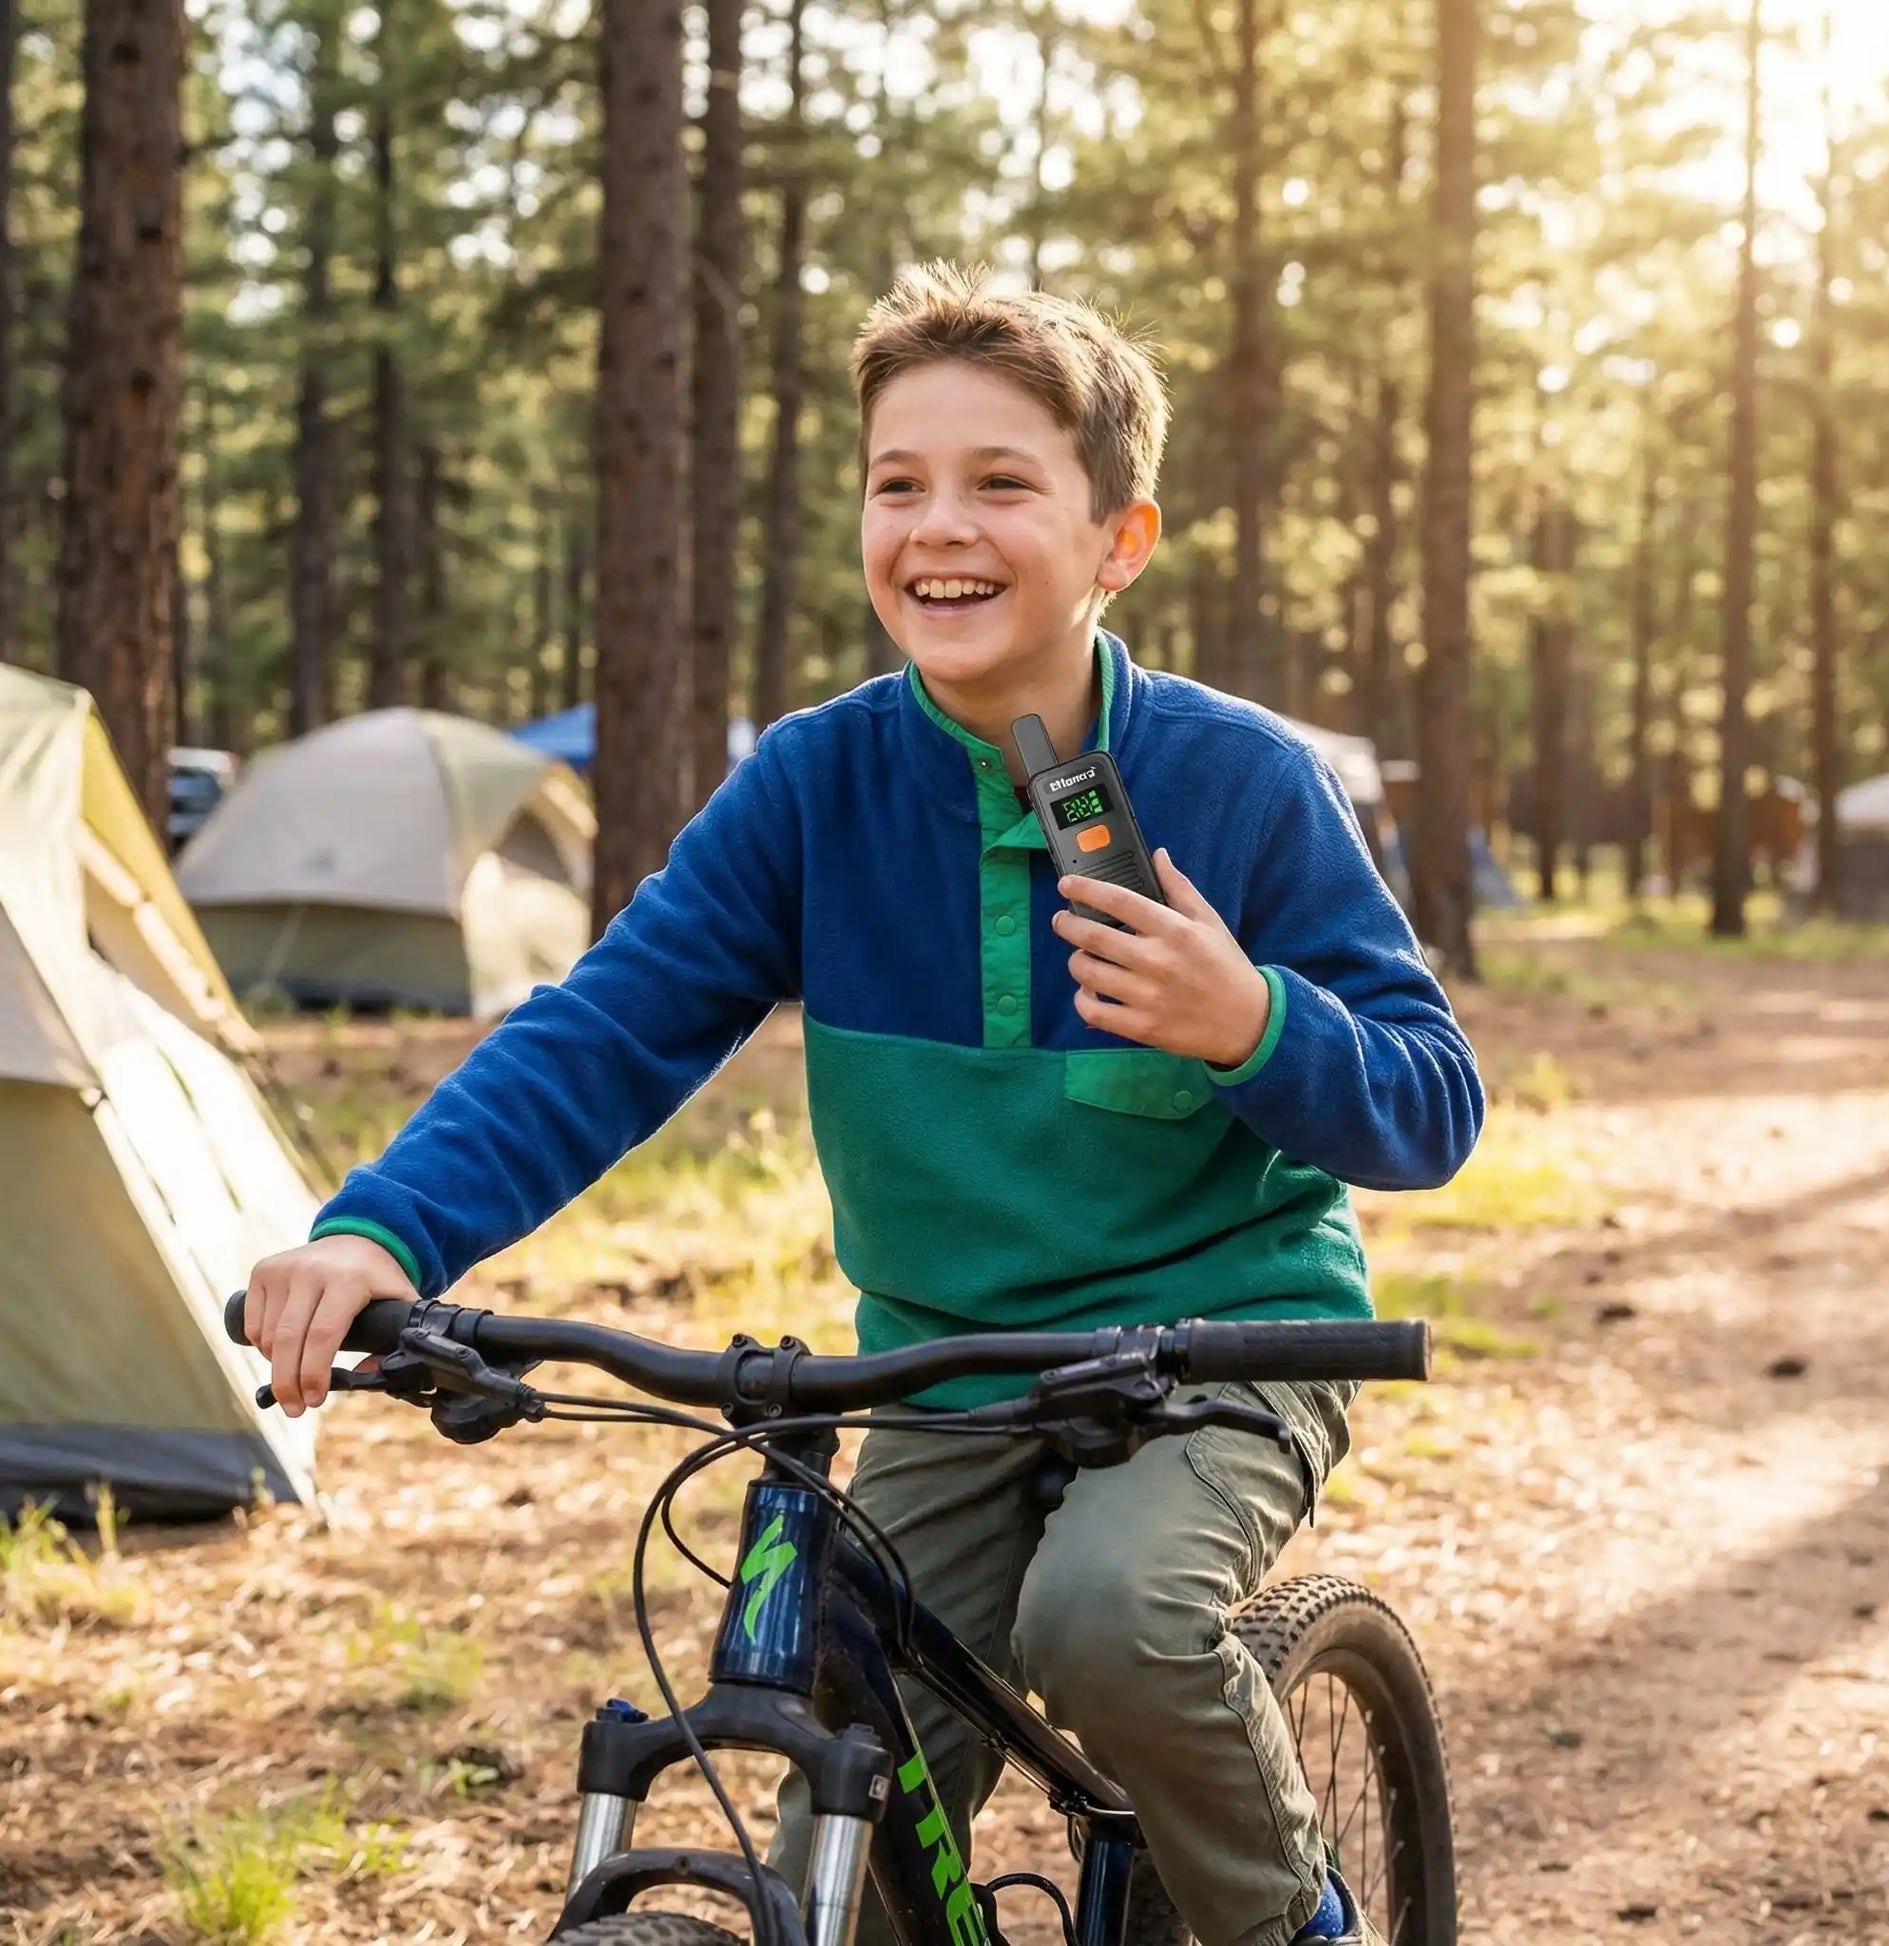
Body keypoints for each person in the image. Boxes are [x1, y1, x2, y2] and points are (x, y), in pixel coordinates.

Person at [243, 262, 1484, 1946]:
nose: (935, 525)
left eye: (999, 482)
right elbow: (605, 1028)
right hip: (945, 1369)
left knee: (1111, 1621)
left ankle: (1297, 1932)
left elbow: (1430, 1105)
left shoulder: (1236, 782)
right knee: (846, 1741)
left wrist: (1250, 1018)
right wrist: (386, 1224)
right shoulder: (816, 785)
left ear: (1119, 541)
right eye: (896, 482)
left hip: (1222, 1352)